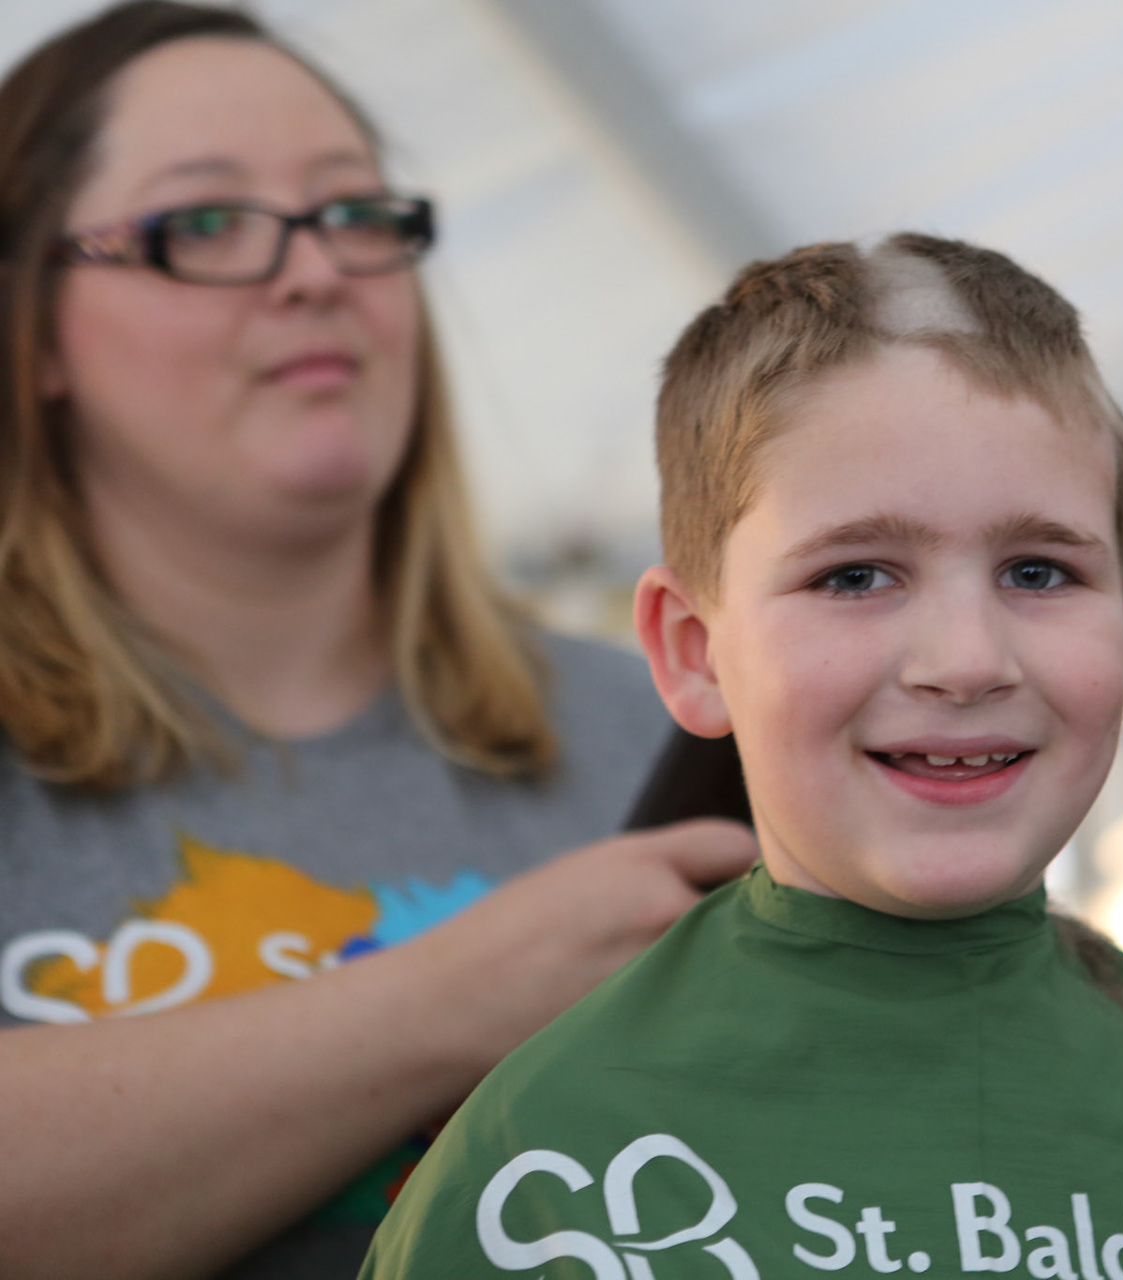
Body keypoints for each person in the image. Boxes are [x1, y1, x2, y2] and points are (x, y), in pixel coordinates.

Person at [357, 233, 1123, 1280]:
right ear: (695, 652)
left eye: (1039, 572)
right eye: (855, 576)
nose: (966, 661)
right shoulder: (552, 1158)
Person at [0, 5, 755, 1277]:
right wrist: (455, 997)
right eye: (206, 223)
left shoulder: (672, 722)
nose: (315, 271)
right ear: (32, 330)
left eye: (355, 212)